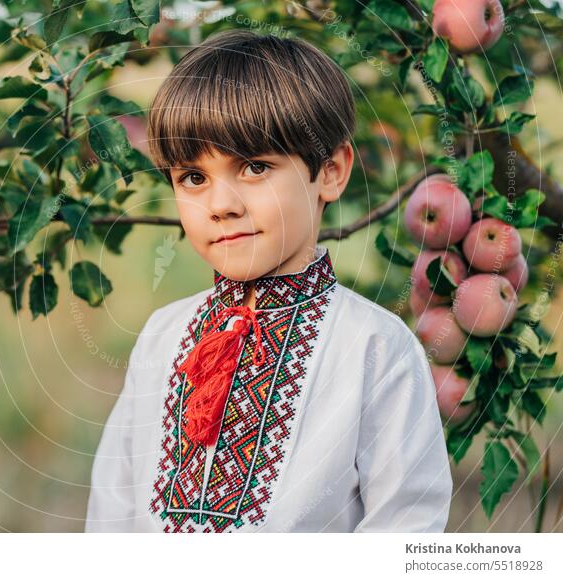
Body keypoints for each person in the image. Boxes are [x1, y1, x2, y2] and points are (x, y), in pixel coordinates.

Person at [85, 29, 452, 533]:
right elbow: (112, 517)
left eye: (255, 167)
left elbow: (405, 527)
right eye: (194, 177)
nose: (221, 205)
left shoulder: (376, 349)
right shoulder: (163, 335)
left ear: (329, 171)